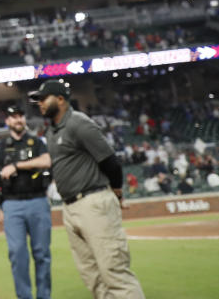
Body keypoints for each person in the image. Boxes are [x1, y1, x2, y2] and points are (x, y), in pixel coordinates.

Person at [29, 80, 144, 298]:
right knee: (93, 277)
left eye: (44, 99)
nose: (40, 104)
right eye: (38, 100)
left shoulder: (79, 123)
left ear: (61, 99)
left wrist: (117, 192)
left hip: (93, 202)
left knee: (114, 272)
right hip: (71, 207)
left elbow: (110, 162)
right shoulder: (52, 131)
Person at [0, 105, 52, 299]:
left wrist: (16, 165)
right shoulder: (0, 147)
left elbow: (47, 161)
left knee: (42, 254)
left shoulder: (36, 142)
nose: (18, 120)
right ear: (7, 121)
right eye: (13, 117)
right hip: (12, 204)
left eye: (20, 116)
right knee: (17, 254)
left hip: (38, 201)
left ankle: (44, 296)